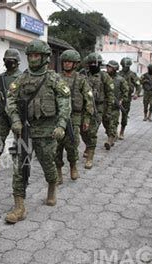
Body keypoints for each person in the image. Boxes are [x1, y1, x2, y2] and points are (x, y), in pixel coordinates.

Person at [5, 39, 71, 223]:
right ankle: (19, 207)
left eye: (36, 55)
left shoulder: (54, 79)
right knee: (20, 168)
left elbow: (65, 103)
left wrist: (61, 125)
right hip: (24, 130)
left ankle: (52, 185)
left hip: (47, 131)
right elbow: (10, 100)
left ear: (45, 58)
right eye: (31, 55)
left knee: (48, 164)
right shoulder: (21, 79)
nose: (33, 59)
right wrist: (15, 120)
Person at [56, 49, 94, 183]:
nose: (67, 64)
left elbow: (89, 100)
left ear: (75, 64)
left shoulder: (81, 79)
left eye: (69, 62)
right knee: (57, 145)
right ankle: (58, 170)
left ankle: (73, 165)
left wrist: (87, 118)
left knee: (72, 143)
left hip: (75, 117)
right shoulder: (56, 78)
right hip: (58, 116)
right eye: (65, 62)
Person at [0, 48, 23, 174]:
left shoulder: (22, 77)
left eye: (11, 60)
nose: (8, 62)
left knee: (19, 140)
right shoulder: (1, 78)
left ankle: (19, 165)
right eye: (6, 60)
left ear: (17, 62)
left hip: (17, 114)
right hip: (3, 113)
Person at [80, 52, 115, 169]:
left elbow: (110, 94)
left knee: (92, 131)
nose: (93, 65)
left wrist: (108, 110)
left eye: (95, 63)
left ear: (99, 64)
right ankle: (88, 146)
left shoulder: (104, 77)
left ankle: (90, 157)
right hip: (84, 107)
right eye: (91, 63)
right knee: (82, 131)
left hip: (98, 107)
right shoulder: (83, 74)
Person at [105, 60, 129, 150]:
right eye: (107, 66)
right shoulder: (104, 77)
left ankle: (110, 140)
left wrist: (122, 100)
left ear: (115, 69)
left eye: (110, 67)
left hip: (115, 106)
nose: (108, 68)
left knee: (113, 123)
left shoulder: (120, 80)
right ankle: (112, 134)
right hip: (104, 105)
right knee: (106, 122)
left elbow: (126, 91)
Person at [118, 57, 141, 139]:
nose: (126, 68)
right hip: (117, 97)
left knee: (124, 115)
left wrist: (136, 93)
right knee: (113, 115)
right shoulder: (118, 74)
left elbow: (138, 85)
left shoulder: (132, 75)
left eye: (127, 66)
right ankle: (112, 131)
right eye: (124, 66)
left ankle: (122, 131)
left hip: (127, 97)